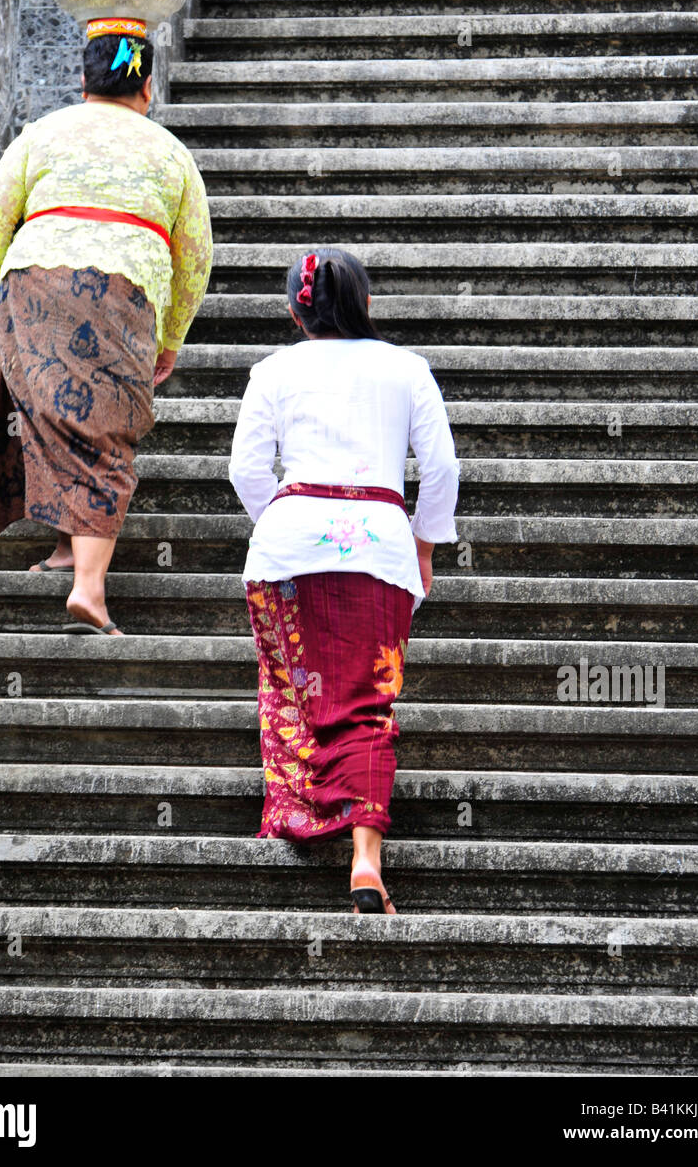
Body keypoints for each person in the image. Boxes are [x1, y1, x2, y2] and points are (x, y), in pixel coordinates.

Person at [229, 247, 459, 912]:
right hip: (379, 543)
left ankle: (303, 813)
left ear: (297, 311)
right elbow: (440, 469)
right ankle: (364, 860)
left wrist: (279, 520)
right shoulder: (405, 369)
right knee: (368, 699)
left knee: (293, 686)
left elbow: (246, 470)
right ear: (365, 304)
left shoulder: (272, 369)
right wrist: (423, 544)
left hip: (287, 546)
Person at [0, 19, 213, 636]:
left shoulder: (42, 132)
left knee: (49, 411)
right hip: (123, 289)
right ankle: (88, 589)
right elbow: (195, 256)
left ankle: (63, 549)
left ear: (83, 81)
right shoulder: (171, 151)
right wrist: (172, 336)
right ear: (147, 87)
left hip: (34, 282)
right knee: (105, 429)